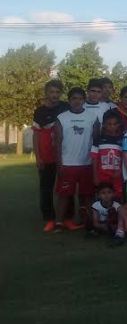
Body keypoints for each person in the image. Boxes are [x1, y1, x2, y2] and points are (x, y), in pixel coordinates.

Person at [54, 87, 96, 231]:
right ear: (69, 100)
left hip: (86, 162)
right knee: (64, 194)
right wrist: (59, 163)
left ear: (84, 100)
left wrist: (94, 161)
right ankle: (59, 222)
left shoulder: (92, 117)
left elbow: (96, 140)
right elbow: (57, 143)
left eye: (80, 98)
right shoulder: (61, 118)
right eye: (74, 99)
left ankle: (88, 221)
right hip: (67, 163)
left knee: (87, 195)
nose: (77, 101)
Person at [33, 80, 69, 232]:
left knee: (66, 188)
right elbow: (35, 136)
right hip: (46, 157)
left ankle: (66, 219)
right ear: (46, 93)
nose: (54, 95)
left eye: (57, 92)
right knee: (46, 189)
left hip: (64, 156)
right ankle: (49, 219)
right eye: (51, 92)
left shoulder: (65, 107)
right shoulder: (40, 111)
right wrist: (38, 157)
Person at [91, 110, 124, 200]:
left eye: (115, 124)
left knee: (117, 200)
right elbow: (94, 158)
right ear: (104, 124)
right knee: (102, 200)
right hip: (102, 176)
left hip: (117, 176)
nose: (112, 127)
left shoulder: (122, 139)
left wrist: (120, 171)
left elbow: (124, 158)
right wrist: (95, 176)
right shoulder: (98, 139)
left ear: (118, 125)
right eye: (109, 124)